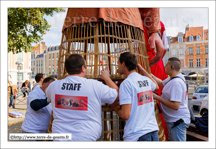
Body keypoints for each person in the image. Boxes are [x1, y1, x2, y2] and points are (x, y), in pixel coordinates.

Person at [46, 54, 118, 141]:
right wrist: (107, 79)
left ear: (67, 69)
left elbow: (48, 94)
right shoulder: (94, 85)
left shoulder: (54, 86)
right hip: (85, 138)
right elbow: (117, 94)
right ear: (83, 68)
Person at [111, 52, 159, 141]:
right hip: (153, 132)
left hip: (138, 135)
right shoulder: (146, 80)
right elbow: (156, 86)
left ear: (123, 64)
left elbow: (125, 115)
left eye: (118, 63)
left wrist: (115, 107)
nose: (117, 66)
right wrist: (143, 71)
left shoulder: (127, 84)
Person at [151, 57, 190, 141]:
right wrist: (150, 75)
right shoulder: (174, 78)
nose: (165, 66)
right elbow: (161, 83)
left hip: (177, 122)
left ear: (172, 67)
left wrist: (157, 97)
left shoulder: (176, 82)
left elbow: (175, 105)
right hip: (176, 121)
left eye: (166, 65)